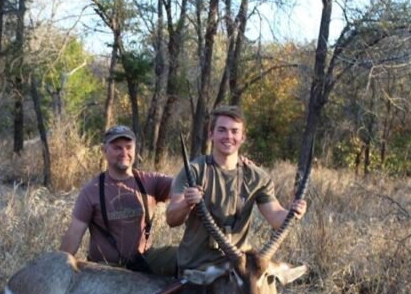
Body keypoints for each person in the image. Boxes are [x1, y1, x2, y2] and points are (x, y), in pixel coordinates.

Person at [166, 105, 307, 272]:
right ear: (211, 134)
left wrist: (294, 213)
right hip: (196, 266)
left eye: (234, 131)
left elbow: (276, 217)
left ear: (243, 137)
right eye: (222, 130)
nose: (228, 136)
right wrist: (186, 203)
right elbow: (172, 219)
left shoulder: (257, 177)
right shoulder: (194, 171)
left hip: (237, 269)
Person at [60, 125, 177, 276]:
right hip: (106, 267)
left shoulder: (151, 181)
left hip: (145, 259)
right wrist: (60, 267)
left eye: (129, 147)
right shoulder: (91, 191)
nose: (124, 153)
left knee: (190, 257)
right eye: (117, 148)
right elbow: (74, 234)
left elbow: (182, 183)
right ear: (105, 151)